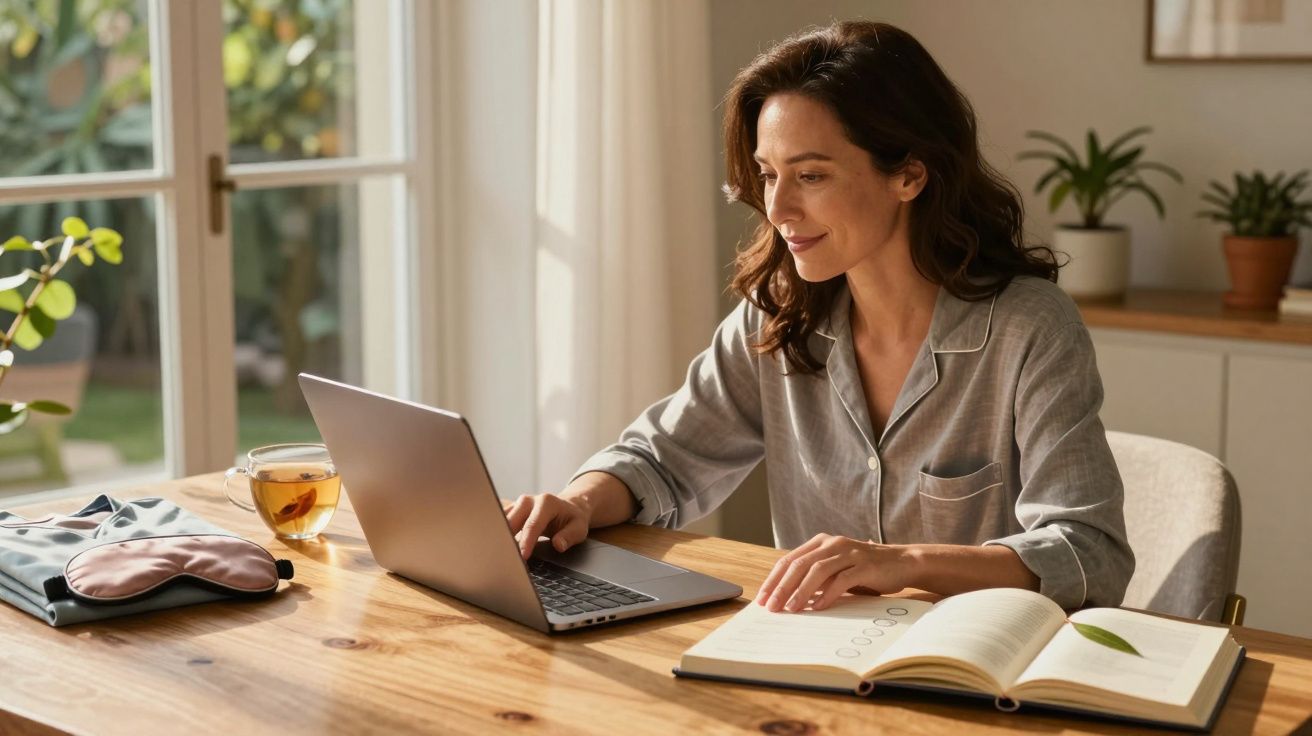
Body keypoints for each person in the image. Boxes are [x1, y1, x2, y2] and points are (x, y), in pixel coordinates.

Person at [504, 20, 1134, 614]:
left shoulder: (1029, 329)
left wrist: (903, 562)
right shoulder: (777, 318)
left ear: (909, 174)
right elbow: (662, 460)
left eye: (809, 175)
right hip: (810, 667)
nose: (778, 207)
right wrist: (577, 502)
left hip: (971, 676)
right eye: (767, 174)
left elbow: (1089, 552)